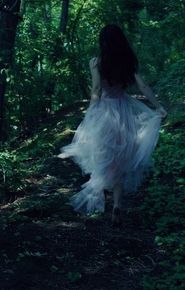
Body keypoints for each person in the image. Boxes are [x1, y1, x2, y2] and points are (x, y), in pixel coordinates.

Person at [58, 24, 167, 226]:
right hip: (124, 111)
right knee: (120, 161)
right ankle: (117, 205)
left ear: (104, 42)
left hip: (105, 112)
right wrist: (158, 107)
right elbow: (142, 86)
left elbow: (97, 88)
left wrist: (90, 113)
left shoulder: (98, 62)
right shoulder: (128, 61)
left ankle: (102, 196)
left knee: (103, 156)